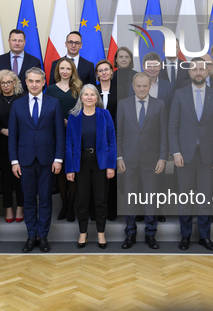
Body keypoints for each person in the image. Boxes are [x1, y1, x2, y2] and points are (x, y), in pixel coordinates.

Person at [169, 58, 213, 251]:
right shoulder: (179, 94)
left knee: (205, 199)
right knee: (185, 198)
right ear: (189, 72)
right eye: (195, 69)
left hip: (209, 157)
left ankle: (204, 237)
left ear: (208, 70)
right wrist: (175, 151)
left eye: (202, 68)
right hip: (184, 156)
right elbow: (173, 126)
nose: (198, 72)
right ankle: (185, 236)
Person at [9, 68, 65, 253]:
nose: (34, 84)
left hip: (47, 160)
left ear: (43, 83)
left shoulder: (54, 103)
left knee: (46, 200)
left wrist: (58, 159)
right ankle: (31, 235)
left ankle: (43, 237)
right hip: (24, 161)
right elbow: (13, 136)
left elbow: (59, 133)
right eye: (31, 81)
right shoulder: (17, 105)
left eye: (37, 81)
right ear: (26, 82)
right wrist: (14, 161)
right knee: (28, 200)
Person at [117, 72, 168, 249]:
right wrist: (119, 156)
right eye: (138, 86)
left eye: (145, 86)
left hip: (152, 160)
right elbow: (119, 133)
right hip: (129, 160)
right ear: (133, 86)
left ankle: (150, 234)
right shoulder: (123, 105)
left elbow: (164, 134)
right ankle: (130, 233)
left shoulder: (160, 105)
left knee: (151, 199)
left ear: (150, 86)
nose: (141, 89)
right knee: (130, 198)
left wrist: (163, 158)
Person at [65, 84, 116, 249]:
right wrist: (70, 168)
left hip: (100, 162)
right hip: (81, 162)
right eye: (85, 94)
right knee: (82, 200)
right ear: (81, 97)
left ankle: (101, 233)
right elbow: (69, 144)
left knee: (100, 200)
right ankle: (83, 233)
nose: (88, 97)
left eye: (92, 94)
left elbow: (111, 141)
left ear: (97, 98)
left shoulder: (105, 114)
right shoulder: (74, 116)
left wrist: (111, 165)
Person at [46, 58, 82, 222]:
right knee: (60, 171)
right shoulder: (51, 89)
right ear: (58, 71)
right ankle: (64, 204)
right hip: (57, 133)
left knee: (72, 170)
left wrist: (73, 121)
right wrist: (59, 120)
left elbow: (85, 109)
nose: (65, 71)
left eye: (68, 68)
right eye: (62, 68)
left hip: (76, 134)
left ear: (72, 70)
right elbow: (46, 110)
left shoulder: (78, 88)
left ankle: (71, 207)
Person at [0, 70, 24, 224]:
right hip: (3, 144)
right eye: (3, 82)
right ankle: (8, 208)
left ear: (14, 83)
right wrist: (1, 130)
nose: (6, 85)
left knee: (20, 177)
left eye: (9, 82)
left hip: (21, 143)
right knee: (6, 178)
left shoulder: (22, 99)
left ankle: (20, 207)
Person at [96, 59, 118, 221]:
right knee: (97, 176)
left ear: (112, 72)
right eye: (100, 70)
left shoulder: (121, 90)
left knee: (112, 175)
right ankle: (95, 212)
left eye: (106, 70)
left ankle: (112, 211)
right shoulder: (91, 90)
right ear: (97, 74)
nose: (104, 73)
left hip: (114, 138)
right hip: (94, 139)